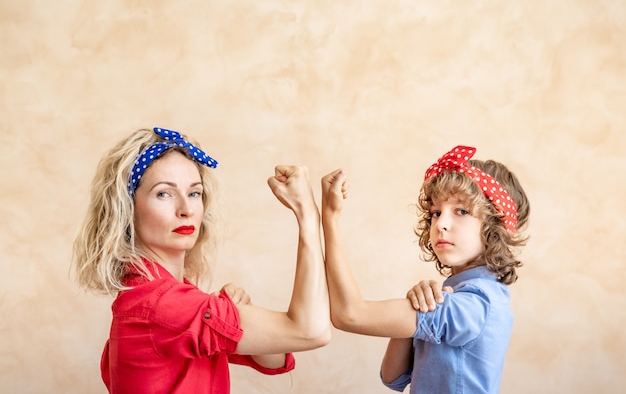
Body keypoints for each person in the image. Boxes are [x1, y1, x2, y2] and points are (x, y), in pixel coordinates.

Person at [72, 127, 331, 394]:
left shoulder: (167, 298)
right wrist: (308, 214)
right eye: (164, 193)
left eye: (194, 193)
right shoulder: (162, 306)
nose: (186, 209)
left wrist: (241, 313)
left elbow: (273, 355)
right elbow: (311, 331)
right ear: (127, 209)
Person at [320, 145, 530, 394]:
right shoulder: (454, 293)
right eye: (436, 212)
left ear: (497, 227)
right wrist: (414, 310)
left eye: (461, 211)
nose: (441, 223)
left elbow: (350, 314)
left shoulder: (474, 304)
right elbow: (393, 377)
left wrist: (329, 218)